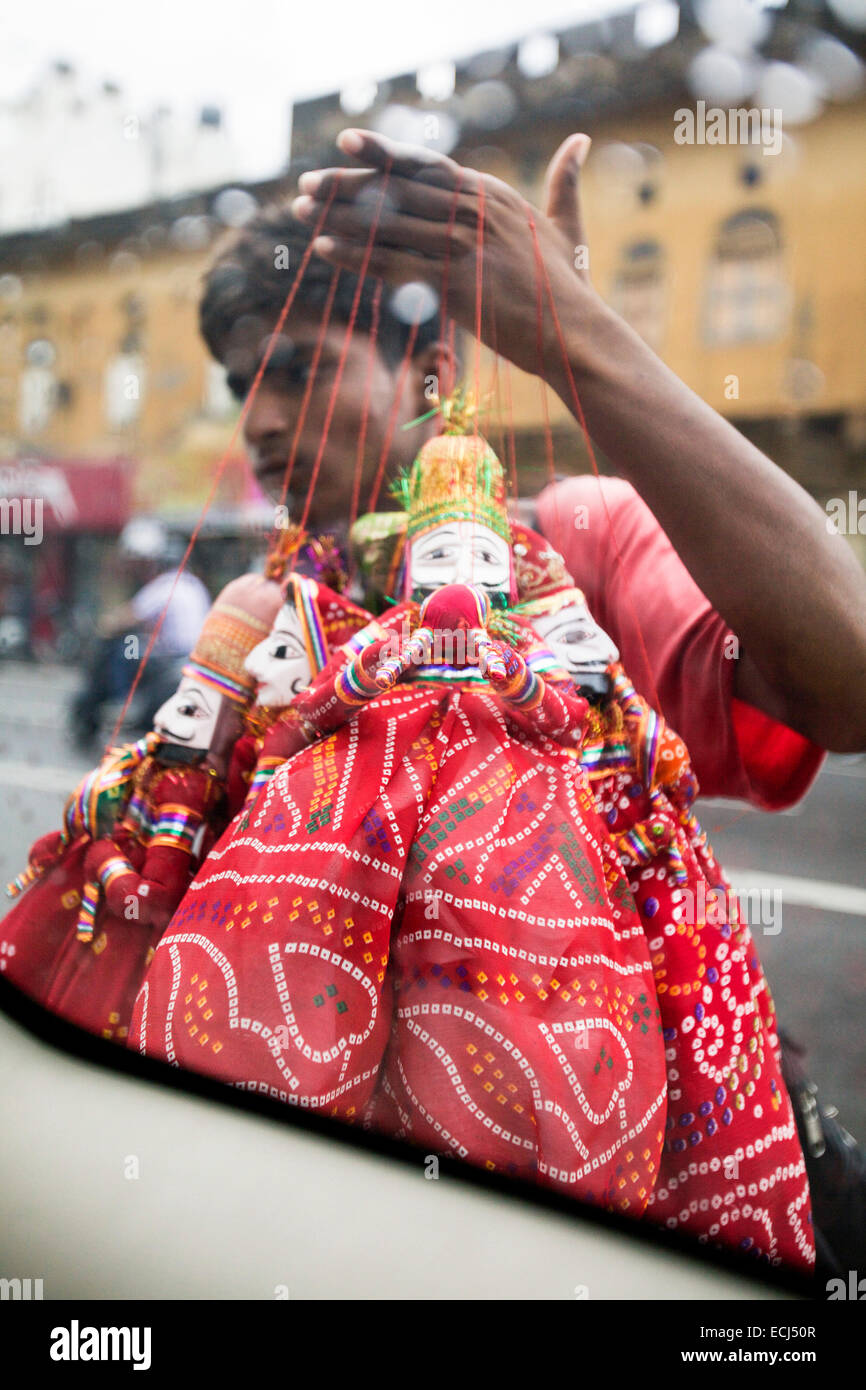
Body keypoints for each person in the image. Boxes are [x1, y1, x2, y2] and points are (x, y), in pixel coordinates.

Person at [70, 518, 212, 748]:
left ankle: (123, 701)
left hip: (173, 659)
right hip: (192, 656)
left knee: (125, 645)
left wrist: (103, 625)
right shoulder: (193, 583)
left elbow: (122, 621)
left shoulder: (163, 586)